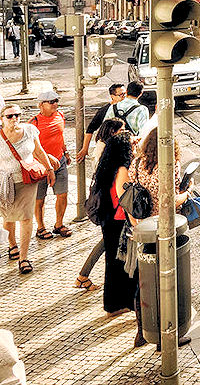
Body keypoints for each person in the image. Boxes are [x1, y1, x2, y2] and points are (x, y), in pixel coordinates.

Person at [132, 126, 192, 348]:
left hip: (143, 229)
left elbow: (130, 191)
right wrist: (188, 191)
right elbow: (173, 200)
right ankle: (168, 337)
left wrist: (135, 224)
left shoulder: (138, 163)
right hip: (165, 228)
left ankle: (142, 330)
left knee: (145, 283)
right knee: (168, 281)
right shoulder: (169, 165)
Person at [1, 102, 55, 275]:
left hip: (27, 181)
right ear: (2, 119)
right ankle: (12, 245)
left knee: (25, 217)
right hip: (4, 183)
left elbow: (39, 151)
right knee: (8, 217)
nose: (14, 119)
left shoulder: (30, 130)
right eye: (10, 116)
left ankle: (24, 258)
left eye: (17, 115)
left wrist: (50, 169)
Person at [89, 128, 138, 317]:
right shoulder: (123, 169)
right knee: (121, 265)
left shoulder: (107, 165)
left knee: (113, 263)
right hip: (118, 221)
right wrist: (134, 222)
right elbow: (123, 197)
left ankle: (113, 304)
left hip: (109, 218)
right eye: (132, 145)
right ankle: (117, 305)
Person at [76, 118, 126, 292]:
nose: (125, 134)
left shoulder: (104, 146)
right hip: (109, 205)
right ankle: (83, 276)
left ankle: (84, 275)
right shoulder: (104, 149)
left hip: (108, 203)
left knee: (108, 242)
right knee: (107, 242)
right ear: (112, 132)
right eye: (121, 131)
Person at [31, 90, 71, 240]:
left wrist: (65, 153)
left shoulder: (60, 116)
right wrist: (45, 163)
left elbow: (60, 136)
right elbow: (31, 148)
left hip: (59, 161)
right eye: (51, 101)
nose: (55, 104)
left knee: (63, 194)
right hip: (40, 165)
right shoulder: (33, 123)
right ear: (41, 105)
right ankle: (40, 228)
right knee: (40, 198)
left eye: (56, 101)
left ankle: (59, 224)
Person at [81, 83, 125, 159]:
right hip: (109, 148)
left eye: (125, 93)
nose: (124, 97)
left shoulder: (129, 107)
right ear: (112, 96)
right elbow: (90, 129)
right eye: (121, 95)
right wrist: (85, 149)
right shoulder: (104, 110)